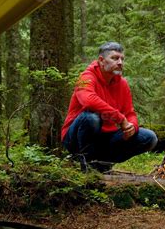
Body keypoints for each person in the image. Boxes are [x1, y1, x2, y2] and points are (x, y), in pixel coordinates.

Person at [61, 42, 158, 172]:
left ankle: (103, 163)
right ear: (101, 60)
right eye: (115, 58)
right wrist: (120, 119)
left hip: (105, 139)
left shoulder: (122, 84)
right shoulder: (86, 77)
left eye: (122, 59)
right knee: (91, 118)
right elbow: (88, 101)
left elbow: (130, 113)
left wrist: (132, 127)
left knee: (149, 138)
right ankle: (87, 165)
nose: (120, 62)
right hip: (75, 138)